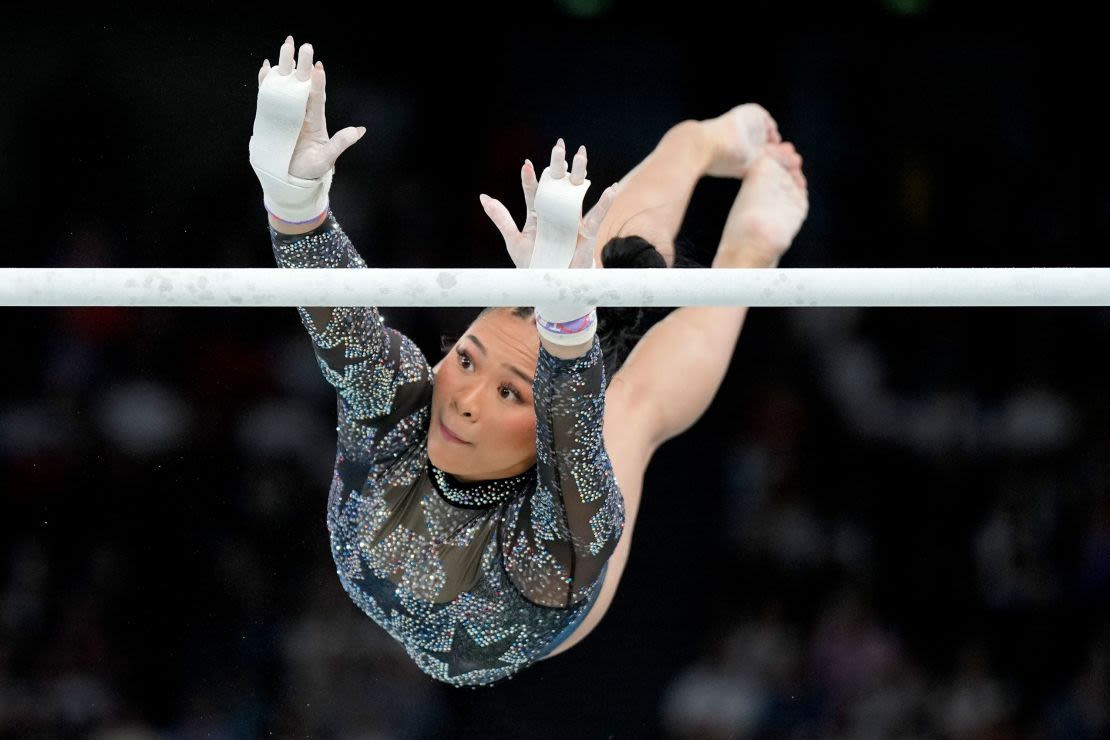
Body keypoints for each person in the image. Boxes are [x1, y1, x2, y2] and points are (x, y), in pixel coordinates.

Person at [249, 36, 808, 687]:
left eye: (511, 394)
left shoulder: (560, 527)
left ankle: (745, 246)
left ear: (546, 433)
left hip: (547, 616)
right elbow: (336, 315)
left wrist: (569, 329)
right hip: (505, 490)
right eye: (465, 360)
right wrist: (294, 203)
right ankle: (692, 148)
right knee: (585, 282)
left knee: (631, 406)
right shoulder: (402, 402)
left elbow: (573, 412)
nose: (465, 398)